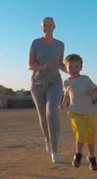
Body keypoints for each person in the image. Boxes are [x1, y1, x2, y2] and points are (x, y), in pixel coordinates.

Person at [28, 17, 67, 163]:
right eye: (45, 25)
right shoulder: (35, 43)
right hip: (37, 83)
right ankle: (47, 140)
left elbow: (60, 64)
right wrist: (42, 67)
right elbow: (30, 65)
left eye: (50, 24)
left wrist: (71, 71)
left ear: (54, 26)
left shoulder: (60, 45)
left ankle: (55, 150)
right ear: (41, 27)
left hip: (55, 82)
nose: (48, 27)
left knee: (52, 112)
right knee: (43, 117)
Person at [59, 54, 97, 171]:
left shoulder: (85, 78)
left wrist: (92, 92)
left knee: (91, 137)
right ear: (66, 68)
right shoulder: (66, 82)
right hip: (75, 112)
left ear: (81, 67)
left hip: (89, 113)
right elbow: (67, 95)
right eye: (70, 67)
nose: (73, 69)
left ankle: (92, 158)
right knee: (81, 134)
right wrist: (63, 104)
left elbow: (96, 89)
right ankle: (78, 155)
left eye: (76, 67)